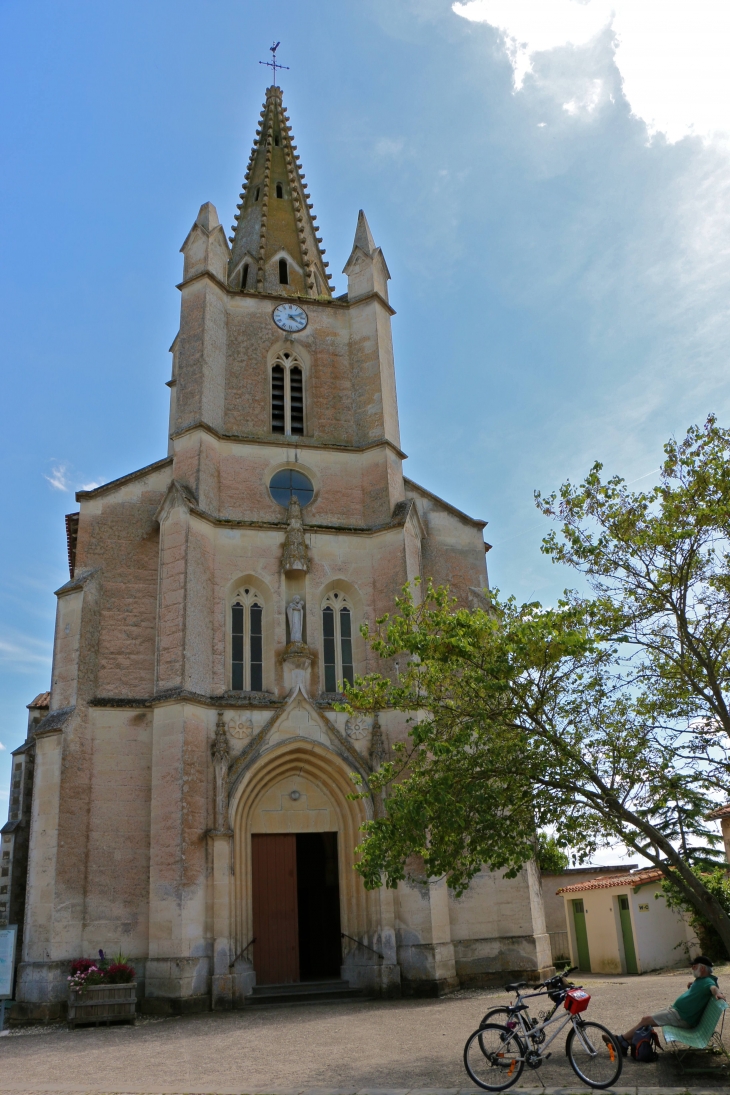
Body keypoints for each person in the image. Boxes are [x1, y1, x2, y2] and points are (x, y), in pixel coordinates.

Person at [608, 956, 726, 1055]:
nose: (692, 968)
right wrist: (693, 984)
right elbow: (703, 986)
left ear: (703, 968)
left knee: (645, 1020)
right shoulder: (702, 980)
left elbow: (713, 988)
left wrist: (718, 993)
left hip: (681, 1017)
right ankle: (624, 1045)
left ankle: (619, 1040)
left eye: (694, 966)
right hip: (677, 1012)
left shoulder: (707, 982)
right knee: (646, 1021)